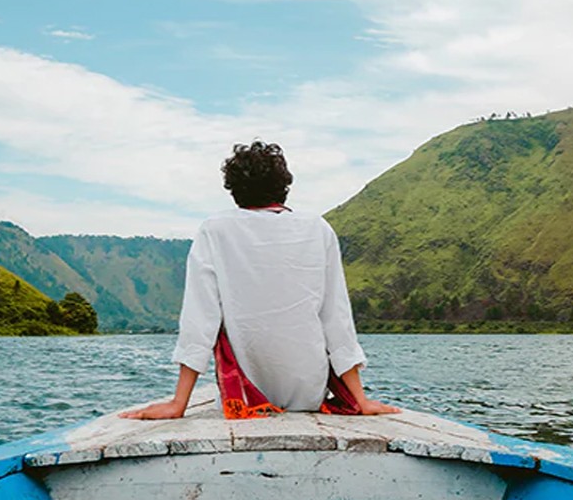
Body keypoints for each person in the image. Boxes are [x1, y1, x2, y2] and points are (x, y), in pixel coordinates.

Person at [121, 141, 398, 420]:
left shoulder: (215, 230)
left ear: (234, 190)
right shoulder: (318, 228)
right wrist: (359, 400)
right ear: (284, 187)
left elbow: (200, 319)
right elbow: (336, 318)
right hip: (308, 393)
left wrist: (178, 403)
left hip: (245, 394)